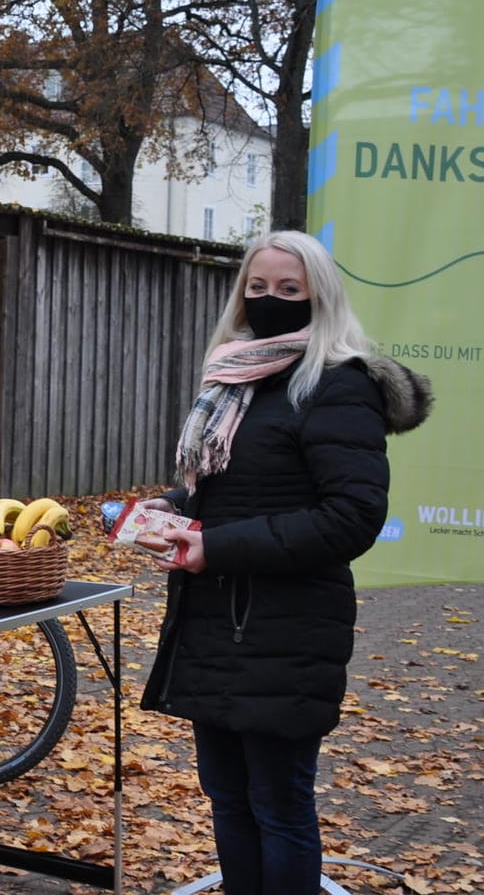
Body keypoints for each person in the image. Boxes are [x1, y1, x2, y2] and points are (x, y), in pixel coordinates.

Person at [136, 230, 432, 894]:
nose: (271, 301)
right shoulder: (235, 376)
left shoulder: (337, 385)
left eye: (290, 290)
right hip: (215, 622)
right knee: (230, 799)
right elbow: (233, 489)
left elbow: (352, 516)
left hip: (286, 629)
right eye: (259, 288)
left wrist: (218, 546)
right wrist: (173, 509)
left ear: (319, 297)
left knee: (279, 804)